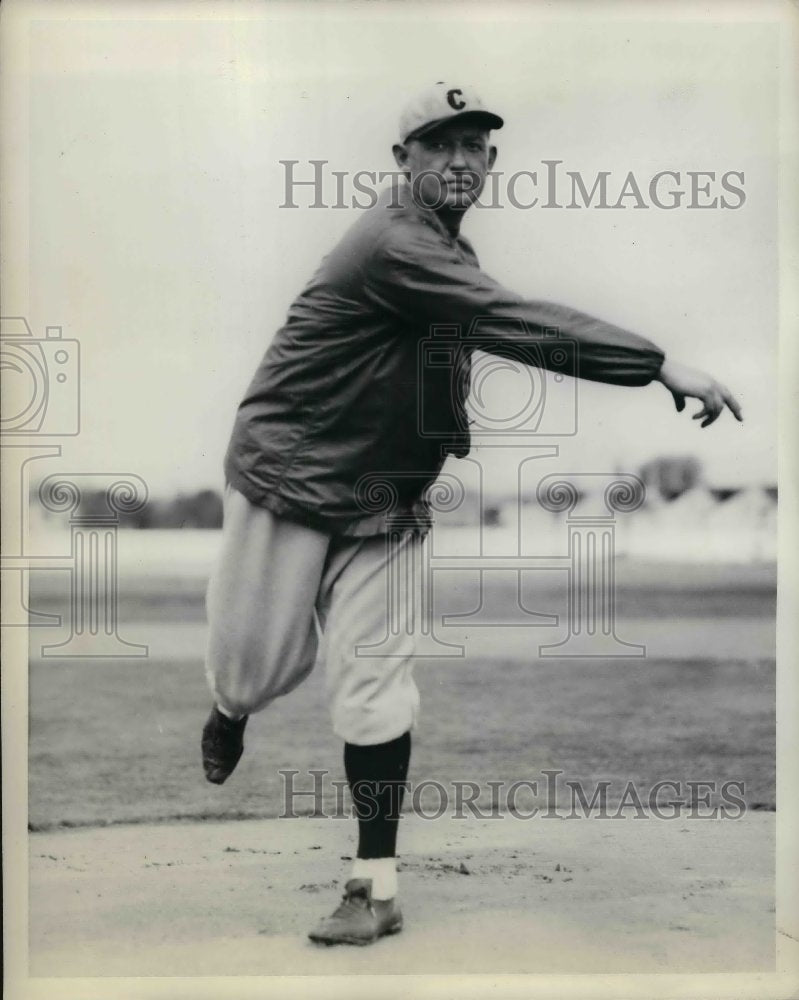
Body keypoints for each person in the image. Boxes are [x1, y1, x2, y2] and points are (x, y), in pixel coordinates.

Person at [201, 82, 742, 946]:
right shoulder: (390, 243)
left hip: (384, 499)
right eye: (438, 144)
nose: (459, 161)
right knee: (253, 666)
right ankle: (229, 710)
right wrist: (657, 362)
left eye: (474, 146)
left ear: (490, 163)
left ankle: (372, 887)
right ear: (401, 161)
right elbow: (508, 320)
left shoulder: (449, 248)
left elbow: (463, 348)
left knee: (376, 689)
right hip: (290, 474)